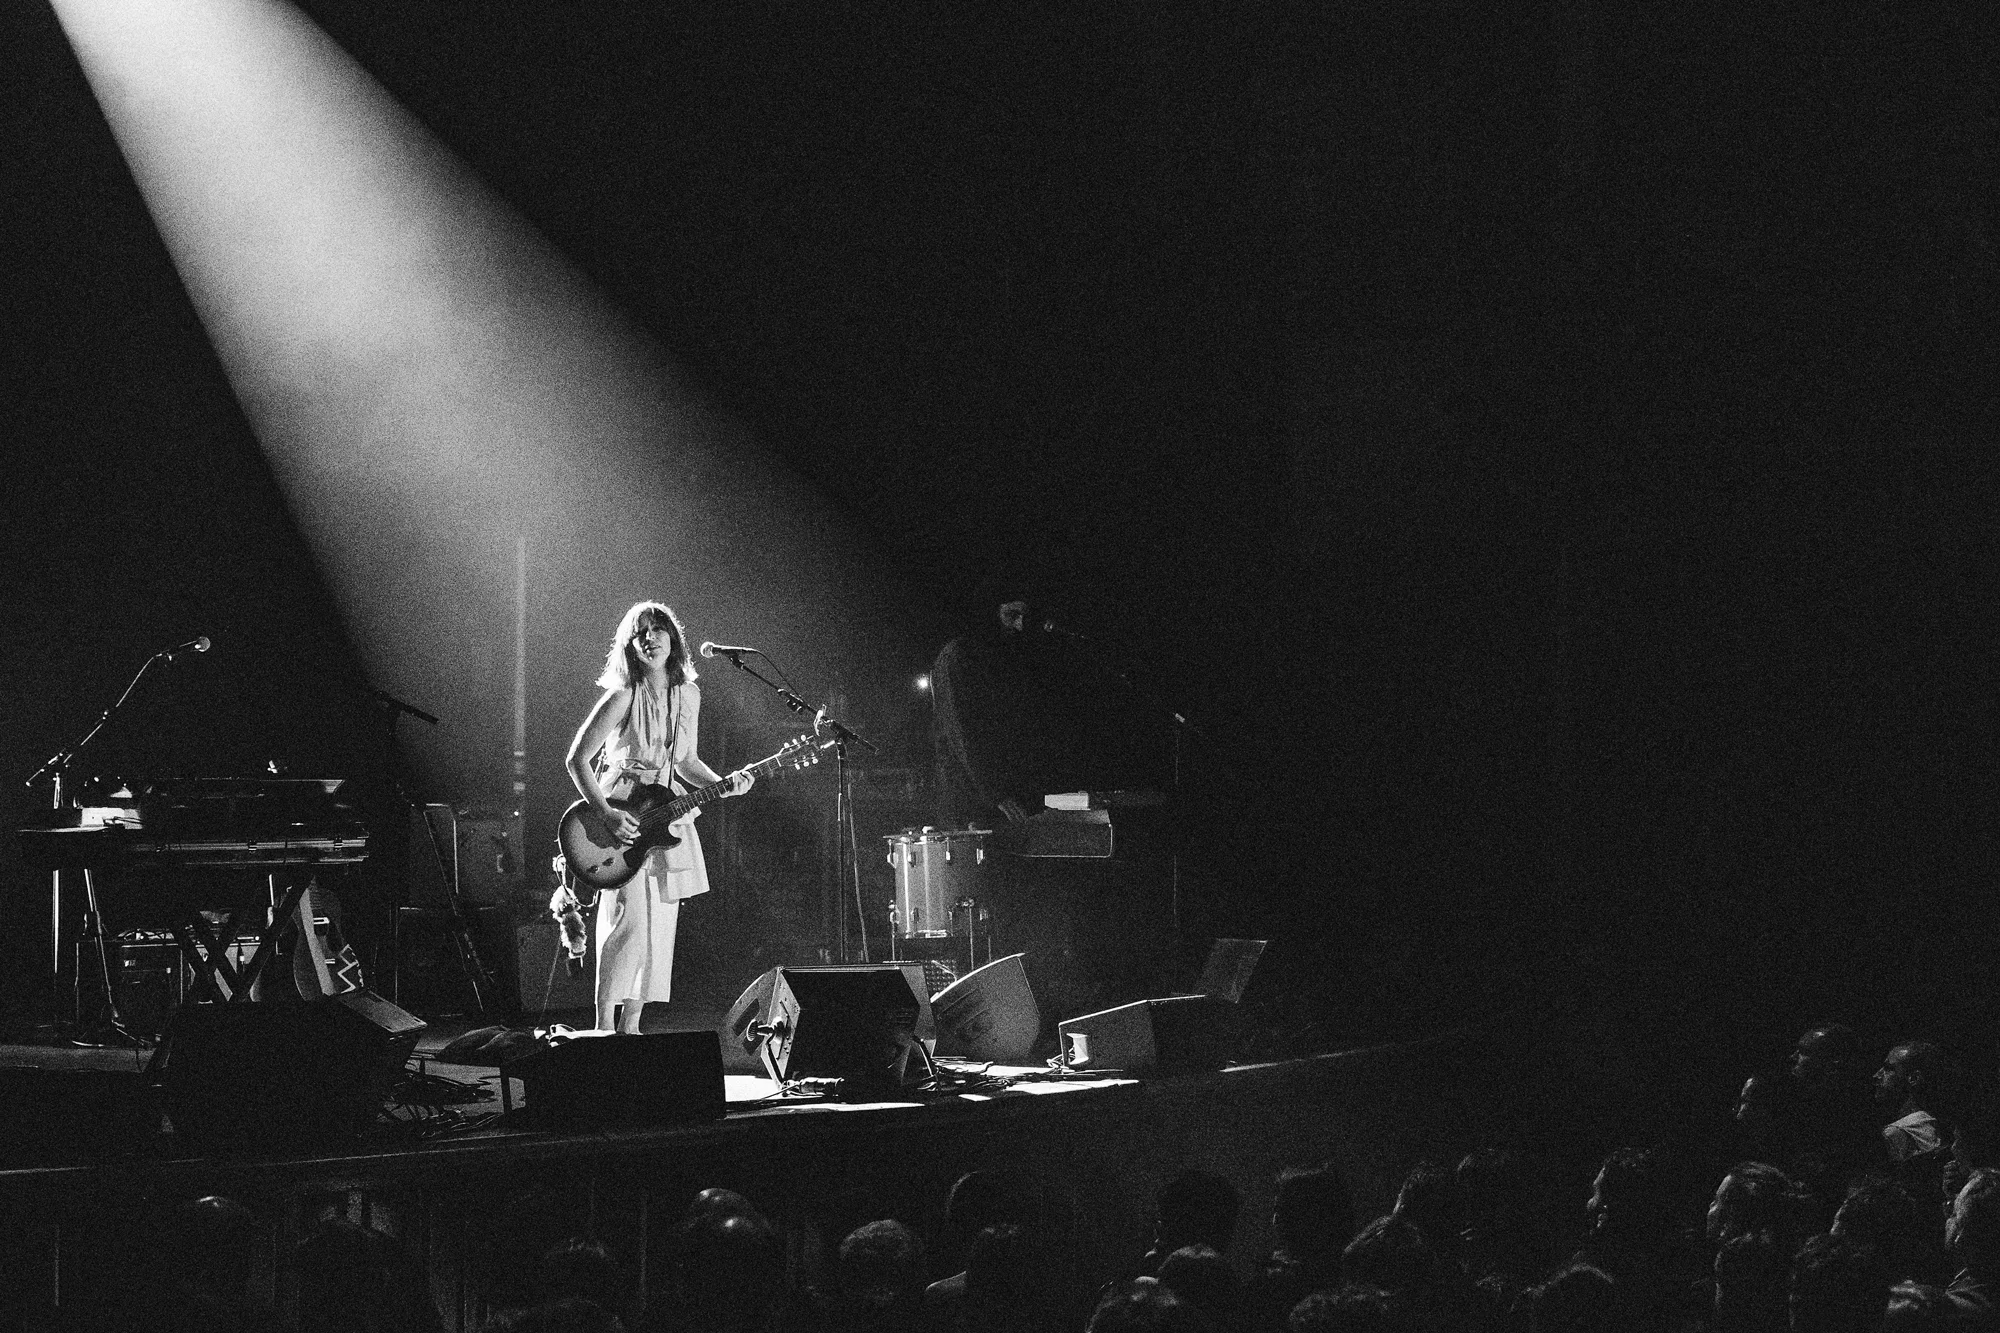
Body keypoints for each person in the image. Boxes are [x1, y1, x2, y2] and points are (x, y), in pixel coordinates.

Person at [562, 601, 753, 1033]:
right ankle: (603, 1028)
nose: (650, 638)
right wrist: (607, 813)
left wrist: (726, 783)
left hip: (664, 813)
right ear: (629, 645)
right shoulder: (623, 694)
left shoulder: (689, 694)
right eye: (640, 632)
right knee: (627, 923)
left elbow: (686, 761)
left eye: (658, 629)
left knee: (657, 929)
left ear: (673, 637)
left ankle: (631, 1028)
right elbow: (577, 759)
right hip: (623, 812)